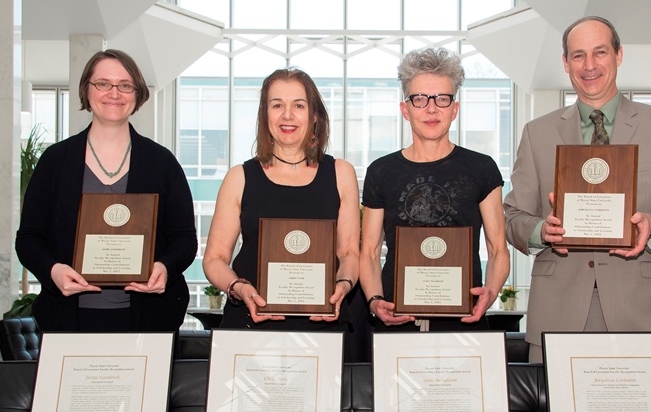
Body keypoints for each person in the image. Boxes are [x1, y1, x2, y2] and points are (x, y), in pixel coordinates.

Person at [503, 16, 651, 362]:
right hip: (558, 310)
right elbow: (511, 216)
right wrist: (542, 230)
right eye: (578, 55)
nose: (589, 65)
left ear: (618, 55)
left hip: (642, 311)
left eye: (600, 52)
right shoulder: (536, 133)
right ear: (565, 63)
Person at [16, 49, 198, 332]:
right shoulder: (56, 161)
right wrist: (54, 271)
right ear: (86, 91)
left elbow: (185, 239)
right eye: (103, 83)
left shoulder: (162, 163)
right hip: (68, 319)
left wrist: (165, 267)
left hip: (149, 319)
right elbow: (29, 239)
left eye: (125, 85)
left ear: (137, 94)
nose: (115, 93)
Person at [360, 47, 510, 331]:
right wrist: (374, 299)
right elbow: (368, 250)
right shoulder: (380, 171)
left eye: (442, 99)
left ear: (455, 109)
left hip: (463, 320)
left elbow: (498, 247)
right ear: (405, 109)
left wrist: (490, 292)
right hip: (396, 321)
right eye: (420, 99)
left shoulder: (482, 168)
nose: (431, 108)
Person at [202, 68, 359, 330]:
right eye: (277, 105)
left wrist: (343, 286)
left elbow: (350, 253)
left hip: (322, 323)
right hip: (251, 322)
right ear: (265, 115)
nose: (287, 115)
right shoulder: (239, 177)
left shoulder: (341, 173)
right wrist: (239, 287)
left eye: (299, 105)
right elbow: (214, 259)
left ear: (315, 116)